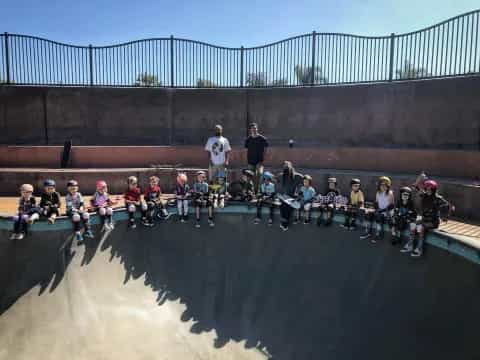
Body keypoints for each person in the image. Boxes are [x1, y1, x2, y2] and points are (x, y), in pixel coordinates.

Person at [402, 180, 453, 258]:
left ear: (434, 190)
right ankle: (410, 245)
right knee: (412, 224)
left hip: (433, 222)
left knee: (421, 228)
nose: (428, 191)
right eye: (427, 189)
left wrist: (445, 216)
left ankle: (419, 249)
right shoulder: (424, 196)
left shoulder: (438, 198)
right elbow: (415, 187)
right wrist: (420, 179)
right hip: (424, 220)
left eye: (430, 189)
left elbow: (450, 207)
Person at [360, 176, 395, 243]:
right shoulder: (378, 193)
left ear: (388, 186)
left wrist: (382, 211)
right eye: (381, 185)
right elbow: (376, 202)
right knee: (369, 214)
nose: (383, 187)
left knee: (379, 217)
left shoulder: (390, 193)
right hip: (380, 210)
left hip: (387, 211)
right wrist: (375, 209)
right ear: (379, 185)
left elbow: (391, 206)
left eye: (385, 185)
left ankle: (379, 234)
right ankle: (368, 232)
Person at [278, 161, 303, 231]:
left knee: (288, 206)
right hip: (284, 197)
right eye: (285, 168)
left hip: (292, 197)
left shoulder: (296, 176)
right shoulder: (282, 176)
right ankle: (284, 222)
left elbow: (303, 180)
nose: (286, 170)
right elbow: (276, 179)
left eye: (287, 168)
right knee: (282, 206)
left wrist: (298, 192)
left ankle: (284, 223)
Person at [244, 123, 269, 191]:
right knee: (249, 176)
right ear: (250, 130)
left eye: (255, 128)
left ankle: (258, 190)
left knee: (259, 174)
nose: (254, 130)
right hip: (250, 161)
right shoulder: (248, 139)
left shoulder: (262, 138)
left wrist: (264, 158)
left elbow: (266, 149)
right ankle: (250, 191)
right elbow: (246, 149)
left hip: (259, 161)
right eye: (252, 128)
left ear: (257, 129)